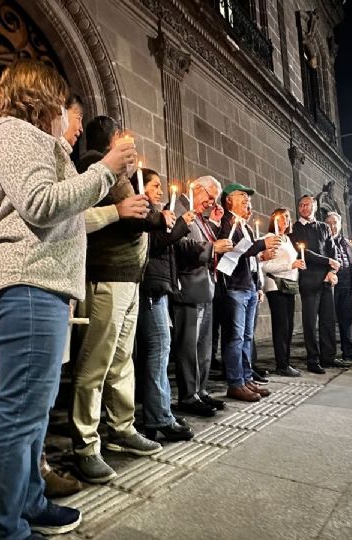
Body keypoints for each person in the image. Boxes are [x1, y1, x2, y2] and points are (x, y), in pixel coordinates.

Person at [0, 59, 136, 539]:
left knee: (33, 412)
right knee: (20, 414)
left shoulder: (27, 141)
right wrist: (106, 170)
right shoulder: (14, 133)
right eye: (67, 107)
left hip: (38, 285)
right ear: (43, 97)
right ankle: (0, 530)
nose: (73, 120)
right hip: (25, 283)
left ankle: (29, 503)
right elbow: (42, 205)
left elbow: (60, 217)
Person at [70, 116, 163, 484]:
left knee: (122, 359)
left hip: (128, 278)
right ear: (110, 142)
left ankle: (122, 429)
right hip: (106, 276)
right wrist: (153, 217)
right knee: (95, 362)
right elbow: (135, 216)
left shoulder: (118, 174)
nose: (131, 150)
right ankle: (85, 444)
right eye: (123, 142)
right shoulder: (96, 167)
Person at [136, 169, 196, 442]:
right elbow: (154, 246)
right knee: (159, 349)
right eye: (155, 186)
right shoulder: (145, 214)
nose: (160, 191)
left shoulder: (157, 214)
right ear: (142, 186)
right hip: (151, 288)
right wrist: (180, 225)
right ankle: (159, 416)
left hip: (161, 288)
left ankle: (158, 412)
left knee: (160, 351)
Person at [170, 176, 232, 416]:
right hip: (188, 286)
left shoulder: (201, 217)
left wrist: (214, 228)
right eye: (209, 196)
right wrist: (211, 248)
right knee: (188, 346)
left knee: (204, 345)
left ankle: (201, 390)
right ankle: (188, 396)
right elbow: (180, 245)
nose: (211, 202)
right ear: (196, 188)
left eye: (215, 198)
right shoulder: (178, 207)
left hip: (206, 286)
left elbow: (204, 240)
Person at [217, 183, 280, 401]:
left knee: (246, 337)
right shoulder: (226, 224)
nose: (247, 201)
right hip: (234, 287)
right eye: (242, 197)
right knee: (234, 338)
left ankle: (245, 378)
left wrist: (258, 281)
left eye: (248, 198)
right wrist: (261, 244)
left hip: (249, 286)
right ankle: (235, 383)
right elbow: (234, 250)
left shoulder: (247, 226)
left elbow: (249, 257)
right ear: (228, 201)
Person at [289, 195, 348, 373]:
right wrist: (328, 261)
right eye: (301, 205)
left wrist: (332, 271)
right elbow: (303, 252)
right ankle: (312, 359)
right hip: (309, 280)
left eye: (308, 205)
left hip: (326, 280)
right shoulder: (295, 228)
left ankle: (328, 357)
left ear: (315, 207)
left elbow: (333, 250)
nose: (304, 208)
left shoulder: (323, 226)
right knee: (309, 322)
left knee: (328, 321)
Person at [260, 208, 305, 376]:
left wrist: (298, 266)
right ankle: (281, 364)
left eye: (287, 217)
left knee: (289, 326)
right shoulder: (270, 239)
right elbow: (265, 266)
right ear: (274, 220)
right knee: (281, 326)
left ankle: (286, 362)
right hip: (276, 286)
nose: (285, 220)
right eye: (281, 217)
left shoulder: (287, 239)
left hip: (290, 286)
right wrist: (290, 266)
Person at [324, 212, 352, 362]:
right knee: (329, 321)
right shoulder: (323, 241)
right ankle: (329, 354)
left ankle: (348, 350)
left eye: (335, 223)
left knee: (347, 319)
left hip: (346, 285)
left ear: (340, 224)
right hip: (330, 286)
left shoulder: (346, 242)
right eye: (329, 223)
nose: (332, 226)